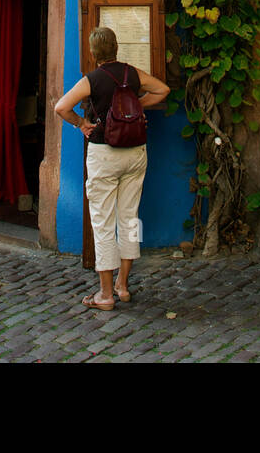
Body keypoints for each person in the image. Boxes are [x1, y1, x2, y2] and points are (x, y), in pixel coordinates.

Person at [55, 26, 169, 310]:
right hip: (135, 152)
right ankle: (123, 285)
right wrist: (137, 106)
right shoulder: (132, 74)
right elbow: (162, 90)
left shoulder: (92, 80)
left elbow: (61, 107)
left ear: (94, 53)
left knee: (103, 222)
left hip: (104, 153)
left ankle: (105, 295)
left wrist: (81, 123)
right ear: (116, 47)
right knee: (129, 218)